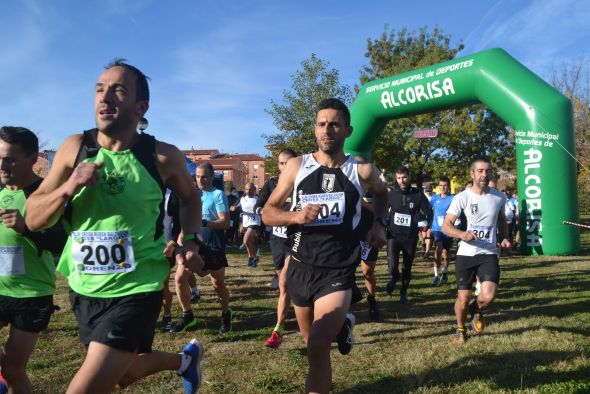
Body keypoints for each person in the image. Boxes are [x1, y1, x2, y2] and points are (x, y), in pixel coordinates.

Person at [25, 60, 205, 393]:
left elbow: (191, 199)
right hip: (84, 288)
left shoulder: (162, 156)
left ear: (141, 107)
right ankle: (185, 361)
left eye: (118, 90)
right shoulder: (74, 148)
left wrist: (191, 241)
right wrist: (68, 187)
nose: (104, 97)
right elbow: (34, 218)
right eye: (99, 89)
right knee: (121, 375)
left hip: (138, 287)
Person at [262, 98, 388, 394]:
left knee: (318, 345)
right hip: (301, 267)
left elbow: (383, 196)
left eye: (334, 124)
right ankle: (343, 325)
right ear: (315, 129)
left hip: (339, 268)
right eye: (321, 124)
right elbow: (268, 211)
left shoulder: (362, 171)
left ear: (347, 130)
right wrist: (296, 216)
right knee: (312, 347)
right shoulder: (296, 166)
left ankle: (337, 326)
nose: (327, 129)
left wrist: (380, 225)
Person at [0, 127, 67, 393]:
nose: (2, 165)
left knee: (13, 371)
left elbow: (62, 242)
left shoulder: (44, 194)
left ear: (32, 159)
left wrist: (26, 229)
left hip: (31, 293)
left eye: (10, 158)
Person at [442, 156, 510, 343]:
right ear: (472, 174)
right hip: (466, 253)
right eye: (480, 171)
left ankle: (476, 309)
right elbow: (446, 226)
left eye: (488, 171)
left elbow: (501, 219)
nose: (484, 174)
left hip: (488, 252)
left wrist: (504, 237)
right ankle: (460, 329)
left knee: (488, 296)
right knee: (463, 297)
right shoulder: (462, 197)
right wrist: (461, 233)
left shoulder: (498, 197)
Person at [173, 162, 233, 334]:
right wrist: (178, 243)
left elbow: (226, 223)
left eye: (204, 176)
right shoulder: (193, 196)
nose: (200, 180)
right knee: (179, 278)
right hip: (194, 246)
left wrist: (205, 222)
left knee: (218, 284)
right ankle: (188, 315)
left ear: (212, 177)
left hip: (214, 245)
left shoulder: (218, 194)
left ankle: (225, 313)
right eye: (198, 176)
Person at [255, 149, 297, 348]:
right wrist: (264, 211)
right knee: (285, 282)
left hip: (296, 237)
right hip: (277, 238)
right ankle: (300, 307)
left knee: (283, 282)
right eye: (281, 163)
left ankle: (278, 329)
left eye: (288, 163)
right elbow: (259, 204)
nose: (284, 166)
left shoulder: (302, 183)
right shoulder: (272, 183)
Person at [385, 166, 433, 304]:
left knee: (407, 266)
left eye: (404, 177)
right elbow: (383, 211)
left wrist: (424, 222)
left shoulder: (418, 194)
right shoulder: (392, 194)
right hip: (393, 236)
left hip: (410, 237)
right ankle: (395, 277)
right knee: (392, 267)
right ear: (396, 178)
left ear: (409, 176)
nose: (402, 181)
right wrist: (383, 222)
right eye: (399, 178)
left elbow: (429, 212)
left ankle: (403, 292)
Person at [359, 194, 381, 320]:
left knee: (367, 272)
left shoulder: (377, 189)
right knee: (346, 272)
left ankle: (371, 299)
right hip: (352, 237)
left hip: (369, 238)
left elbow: (382, 214)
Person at [429, 176, 455, 286]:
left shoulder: (453, 198)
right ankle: (436, 275)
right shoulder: (434, 198)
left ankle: (445, 272)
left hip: (448, 228)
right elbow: (428, 211)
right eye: (441, 185)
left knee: (446, 254)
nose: (443, 187)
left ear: (448, 186)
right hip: (437, 229)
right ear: (438, 187)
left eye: (445, 185)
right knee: (438, 250)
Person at [239, 182, 261, 267]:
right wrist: (241, 223)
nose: (248, 191)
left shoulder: (258, 199)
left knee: (246, 240)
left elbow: (260, 211)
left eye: (250, 189)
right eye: (247, 189)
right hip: (246, 223)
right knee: (249, 242)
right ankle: (254, 257)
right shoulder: (242, 199)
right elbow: (235, 207)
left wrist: (246, 213)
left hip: (255, 222)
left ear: (254, 190)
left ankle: (251, 257)